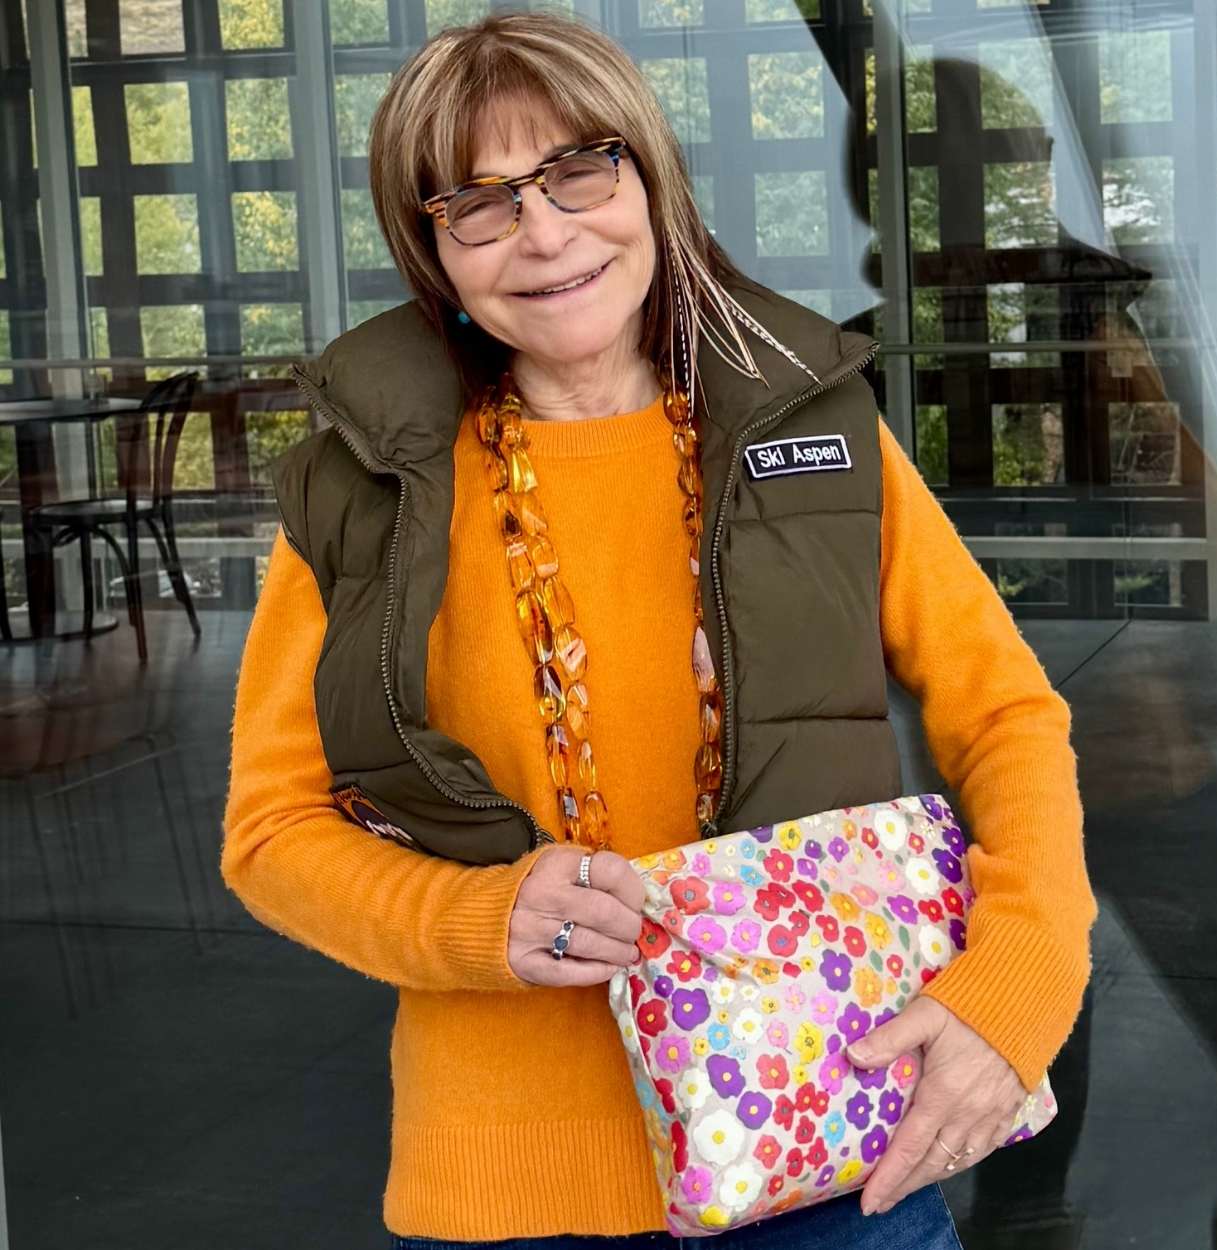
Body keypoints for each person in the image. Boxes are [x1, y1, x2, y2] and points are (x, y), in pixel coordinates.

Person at [220, 13, 1097, 1249]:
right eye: (478, 203)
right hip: (513, 1192)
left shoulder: (814, 431)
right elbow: (272, 832)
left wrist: (1016, 985)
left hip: (828, 1150)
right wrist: (470, 918)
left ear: (649, 176)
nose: (543, 232)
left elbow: (1005, 715)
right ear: (432, 250)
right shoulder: (362, 493)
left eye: (579, 170)